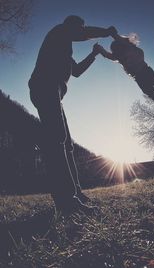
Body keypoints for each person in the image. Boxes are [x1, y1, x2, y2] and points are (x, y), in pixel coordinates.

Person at [28, 15, 117, 215]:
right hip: (44, 86)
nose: (82, 30)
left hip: (54, 93)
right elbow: (83, 33)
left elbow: (76, 71)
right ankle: (66, 202)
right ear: (71, 25)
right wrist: (105, 32)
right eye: (80, 27)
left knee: (66, 144)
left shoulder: (63, 51)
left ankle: (76, 193)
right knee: (56, 139)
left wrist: (94, 54)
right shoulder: (58, 31)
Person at [95, 34, 154, 109]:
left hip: (145, 71)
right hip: (138, 77)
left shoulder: (130, 48)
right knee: (149, 92)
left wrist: (114, 35)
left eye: (119, 49)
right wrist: (99, 49)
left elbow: (120, 41)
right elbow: (107, 55)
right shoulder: (119, 57)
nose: (119, 53)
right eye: (117, 52)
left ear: (122, 46)